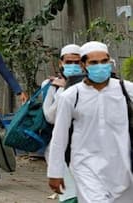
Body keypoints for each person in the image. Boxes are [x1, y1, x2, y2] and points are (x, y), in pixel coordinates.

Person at [48, 41, 133, 202]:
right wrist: (55, 172)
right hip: (85, 165)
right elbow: (59, 136)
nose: (100, 66)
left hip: (121, 165)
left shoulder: (125, 89)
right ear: (83, 65)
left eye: (104, 61)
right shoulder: (71, 96)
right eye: (94, 62)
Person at [43, 44, 82, 203]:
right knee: (69, 195)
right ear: (61, 63)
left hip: (86, 146)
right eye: (69, 62)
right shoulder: (50, 85)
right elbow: (50, 117)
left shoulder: (90, 85)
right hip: (60, 146)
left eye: (77, 62)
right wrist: (63, 91)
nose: (73, 66)